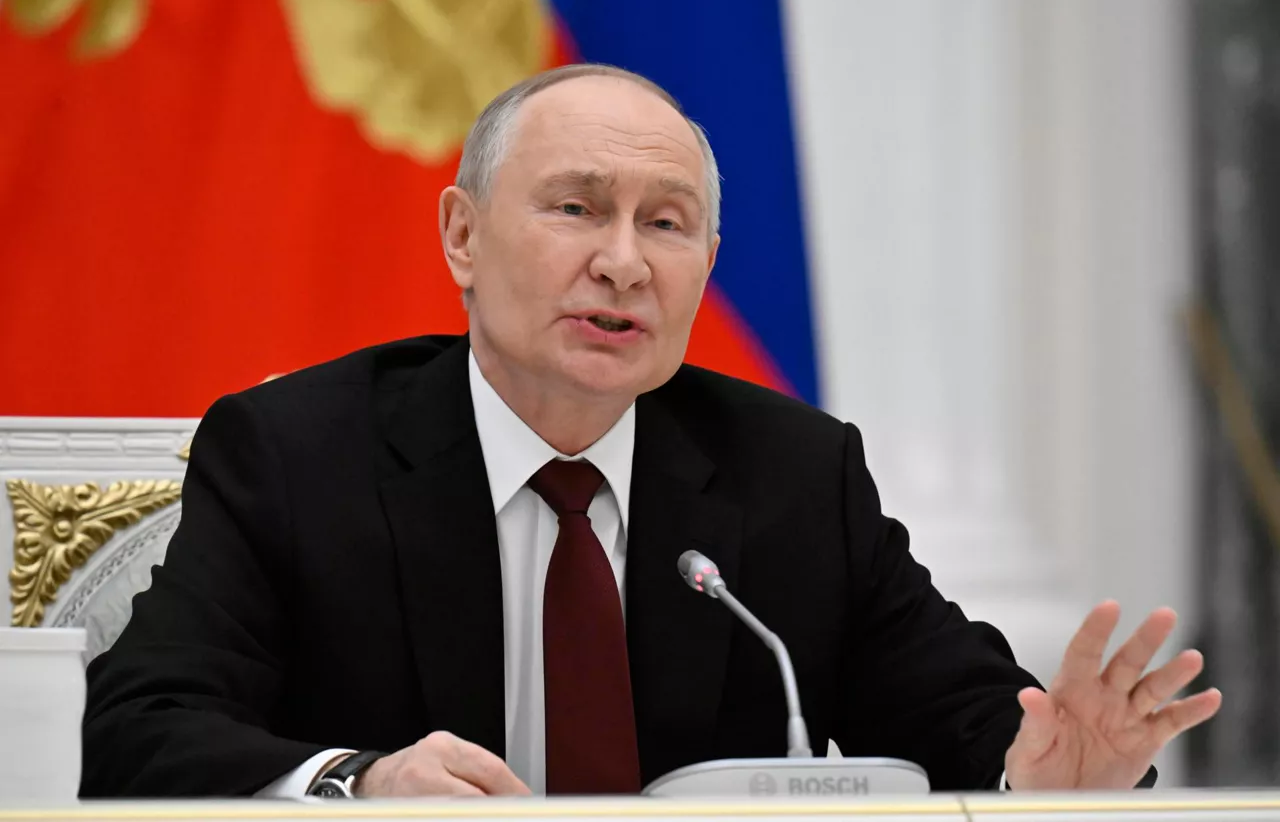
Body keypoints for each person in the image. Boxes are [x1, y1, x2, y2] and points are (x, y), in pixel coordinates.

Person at [80, 63, 1221, 799]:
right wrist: (357, 781)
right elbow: (138, 725)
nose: (622, 260)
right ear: (463, 236)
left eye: (665, 223)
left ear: (703, 268)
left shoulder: (791, 473)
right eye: (575, 206)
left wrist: (1049, 775)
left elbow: (965, 712)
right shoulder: (296, 451)